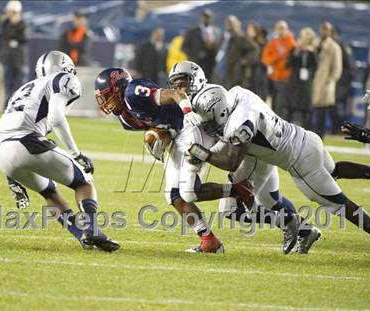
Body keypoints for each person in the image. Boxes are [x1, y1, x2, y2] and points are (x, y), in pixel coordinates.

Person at [93, 65, 283, 253]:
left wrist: (187, 112)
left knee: (189, 191)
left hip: (191, 126)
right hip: (178, 134)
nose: (105, 102)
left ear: (118, 88)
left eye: (107, 94)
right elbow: (163, 127)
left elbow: (177, 94)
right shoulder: (126, 119)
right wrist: (158, 140)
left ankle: (238, 191)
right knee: (173, 195)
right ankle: (209, 241)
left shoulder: (133, 93)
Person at [186, 79, 370, 255]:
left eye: (209, 119)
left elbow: (231, 162)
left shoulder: (239, 125)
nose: (208, 125)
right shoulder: (237, 95)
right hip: (305, 138)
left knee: (339, 204)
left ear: (219, 110)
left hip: (299, 161)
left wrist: (201, 153)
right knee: (333, 171)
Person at [168, 61, 317, 254]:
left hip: (251, 155)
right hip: (258, 151)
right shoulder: (201, 97)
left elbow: (228, 154)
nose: (179, 89)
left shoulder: (209, 98)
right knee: (271, 201)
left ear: (195, 79)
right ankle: (306, 231)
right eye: (175, 85)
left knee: (230, 210)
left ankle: (288, 221)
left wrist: (199, 153)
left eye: (182, 83)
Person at [0, 50, 119, 252]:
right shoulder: (63, 79)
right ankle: (92, 230)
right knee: (84, 180)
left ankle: (82, 237)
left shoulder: (24, 88)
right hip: (27, 141)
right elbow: (56, 117)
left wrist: (12, 178)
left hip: (2, 154)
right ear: (66, 66)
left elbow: (6, 128)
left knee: (49, 192)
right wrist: (76, 153)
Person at [312, 22, 342, 139]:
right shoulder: (315, 43)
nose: (324, 31)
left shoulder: (334, 47)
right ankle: (311, 136)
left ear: (330, 31)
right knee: (312, 111)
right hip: (313, 82)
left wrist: (330, 81)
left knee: (322, 112)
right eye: (322, 29)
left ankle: (320, 136)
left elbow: (337, 68)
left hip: (324, 83)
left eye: (326, 29)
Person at [262, 20, 296, 119]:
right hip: (274, 78)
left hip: (286, 78)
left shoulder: (291, 42)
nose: (281, 31)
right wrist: (277, 57)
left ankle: (281, 125)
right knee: (274, 102)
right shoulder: (273, 43)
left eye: (283, 28)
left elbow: (291, 60)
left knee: (281, 104)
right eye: (279, 28)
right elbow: (265, 59)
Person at [213, 16, 258, 89]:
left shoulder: (241, 37)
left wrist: (244, 61)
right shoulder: (223, 36)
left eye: (231, 23)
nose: (229, 25)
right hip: (219, 70)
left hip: (233, 72)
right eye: (228, 23)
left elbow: (254, 49)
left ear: (236, 24)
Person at [286, 27, 317, 129]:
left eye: (308, 38)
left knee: (307, 110)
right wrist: (297, 51)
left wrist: (312, 52)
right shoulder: (294, 50)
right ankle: (286, 133)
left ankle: (307, 134)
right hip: (295, 84)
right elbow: (288, 64)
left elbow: (316, 66)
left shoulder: (313, 52)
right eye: (304, 37)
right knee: (290, 109)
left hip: (307, 85)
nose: (305, 40)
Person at [0, 0, 28, 109]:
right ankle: (7, 107)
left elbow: (23, 39)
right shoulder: (5, 23)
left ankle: (18, 107)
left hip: (19, 60)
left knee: (19, 85)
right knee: (8, 85)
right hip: (8, 59)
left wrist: (15, 26)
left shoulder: (22, 24)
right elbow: (5, 36)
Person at [182, 10, 220, 79]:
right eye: (205, 17)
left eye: (209, 17)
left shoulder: (217, 32)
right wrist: (196, 55)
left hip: (211, 66)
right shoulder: (192, 32)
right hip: (196, 65)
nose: (207, 19)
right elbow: (184, 47)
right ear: (201, 18)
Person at [246, 23, 269, 100]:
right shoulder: (244, 42)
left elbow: (262, 58)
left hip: (258, 69)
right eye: (248, 30)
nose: (249, 32)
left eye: (251, 30)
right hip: (248, 70)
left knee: (257, 90)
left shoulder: (261, 43)